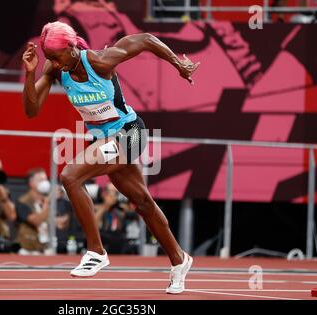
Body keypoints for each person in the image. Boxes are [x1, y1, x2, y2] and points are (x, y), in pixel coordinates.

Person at [22, 21, 199, 294]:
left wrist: (178, 64)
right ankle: (179, 260)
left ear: (72, 47)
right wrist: (30, 74)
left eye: (57, 57)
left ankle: (96, 251)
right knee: (142, 202)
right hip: (103, 140)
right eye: (50, 59)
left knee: (70, 176)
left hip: (130, 133)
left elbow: (146, 39)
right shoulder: (56, 69)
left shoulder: (100, 61)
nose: (54, 63)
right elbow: (32, 110)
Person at [15, 168, 51, 255]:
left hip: (46, 248)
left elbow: (60, 224)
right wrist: (47, 205)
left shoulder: (47, 200)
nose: (44, 182)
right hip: (28, 250)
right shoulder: (23, 202)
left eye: (45, 179)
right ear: (31, 183)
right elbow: (36, 221)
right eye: (40, 180)